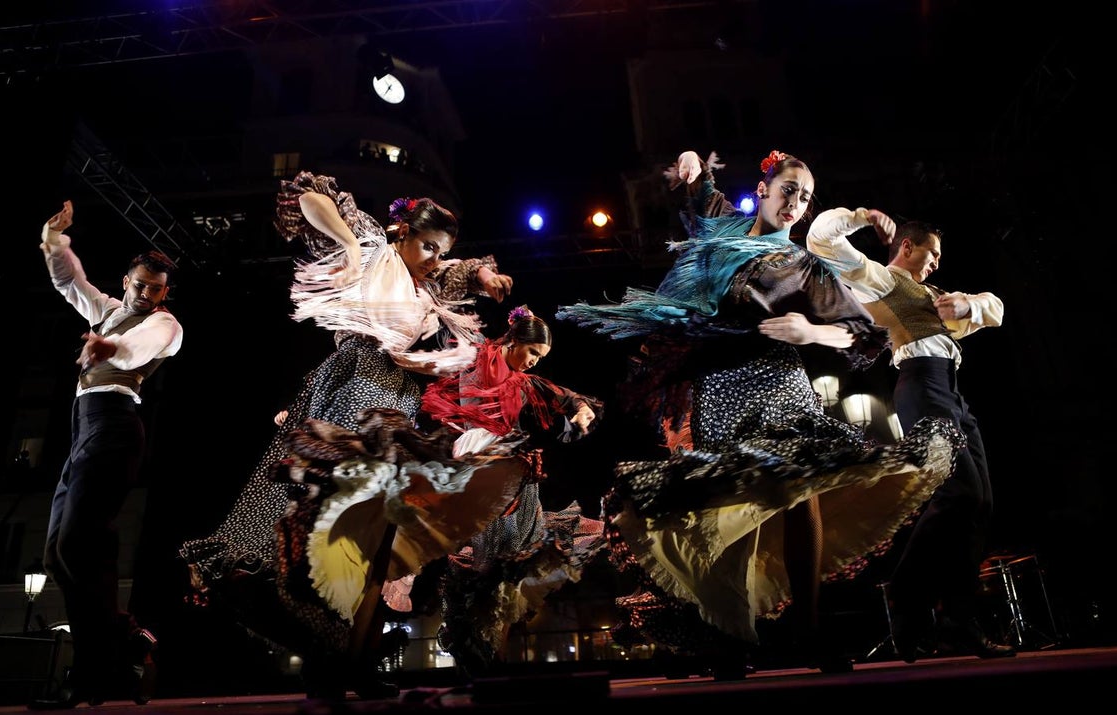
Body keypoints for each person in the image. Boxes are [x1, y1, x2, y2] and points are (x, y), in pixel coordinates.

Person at [557, 150, 966, 678]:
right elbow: (699, 189)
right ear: (763, 189)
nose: (795, 203)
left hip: (779, 380)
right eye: (789, 189)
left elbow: (862, 333)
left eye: (805, 196)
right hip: (718, 384)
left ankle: (808, 629)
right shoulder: (725, 227)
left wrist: (810, 331)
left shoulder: (805, 265)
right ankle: (731, 633)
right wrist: (690, 163)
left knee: (801, 488)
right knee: (733, 500)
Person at [179, 171, 516, 701]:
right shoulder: (374, 246)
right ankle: (327, 644)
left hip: (398, 400)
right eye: (428, 246)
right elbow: (310, 197)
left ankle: (344, 658)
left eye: (441, 251)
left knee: (371, 539)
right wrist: (349, 246)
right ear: (402, 231)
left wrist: (486, 277)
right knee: (332, 517)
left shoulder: (428, 283)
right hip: (358, 383)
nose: (434, 259)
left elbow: (463, 272)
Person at [806, 209, 1013, 661]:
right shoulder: (882, 280)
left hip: (951, 391)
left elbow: (995, 309)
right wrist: (859, 216)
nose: (937, 262)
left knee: (979, 503)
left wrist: (968, 305)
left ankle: (957, 621)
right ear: (907, 246)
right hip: (921, 386)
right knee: (959, 495)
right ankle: (906, 597)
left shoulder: (936, 295)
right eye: (932, 253)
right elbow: (821, 240)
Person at [32, 200, 182, 709]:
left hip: (115, 427)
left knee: (79, 544)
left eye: (155, 289)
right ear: (126, 282)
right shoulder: (111, 311)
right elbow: (70, 283)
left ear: (164, 293)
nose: (146, 294)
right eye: (140, 285)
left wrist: (108, 349)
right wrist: (54, 240)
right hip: (84, 431)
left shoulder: (165, 324)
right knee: (58, 554)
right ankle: (123, 641)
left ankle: (96, 673)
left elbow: (140, 347)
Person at [415, 306, 606, 677]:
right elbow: (444, 333)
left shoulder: (524, 383)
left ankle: (491, 657)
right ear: (514, 340)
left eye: (540, 357)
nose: (534, 361)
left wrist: (581, 409)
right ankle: (473, 648)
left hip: (515, 476)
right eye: (533, 352)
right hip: (477, 468)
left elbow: (564, 395)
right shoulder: (474, 356)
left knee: (510, 567)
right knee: (483, 562)